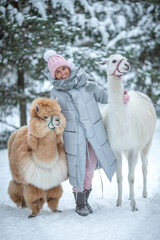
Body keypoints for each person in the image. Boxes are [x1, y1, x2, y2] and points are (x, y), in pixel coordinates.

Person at [43, 50, 129, 216]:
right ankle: (79, 202)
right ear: (54, 75)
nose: (62, 74)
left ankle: (85, 198)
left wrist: (120, 97)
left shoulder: (86, 83)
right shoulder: (56, 93)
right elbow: (53, 115)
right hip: (73, 136)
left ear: (68, 67)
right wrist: (45, 123)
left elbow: (104, 95)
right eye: (58, 72)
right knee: (78, 167)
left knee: (89, 167)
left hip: (94, 133)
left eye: (63, 69)